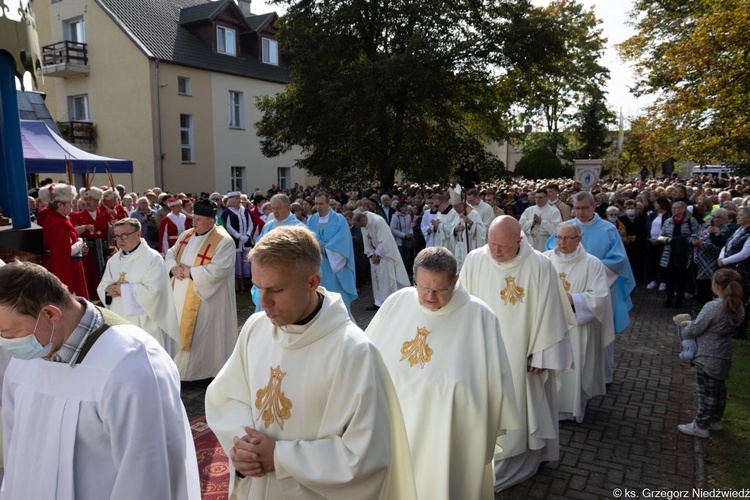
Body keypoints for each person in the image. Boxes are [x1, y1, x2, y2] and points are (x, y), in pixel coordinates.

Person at [205, 226, 416, 500]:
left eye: (276, 289)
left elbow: (366, 456)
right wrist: (242, 447)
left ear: (312, 282)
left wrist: (281, 458)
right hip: (257, 486)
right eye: (257, 288)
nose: (263, 302)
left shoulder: (353, 352)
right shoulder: (256, 328)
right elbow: (228, 399)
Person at [0, 261, 200, 499]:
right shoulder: (26, 359)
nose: (7, 343)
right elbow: (15, 447)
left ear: (51, 314)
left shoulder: (131, 364)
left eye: (10, 333)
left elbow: (147, 475)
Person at [366, 247, 517, 499]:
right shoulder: (396, 303)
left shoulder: (480, 318)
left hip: (447, 435)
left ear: (455, 281)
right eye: (423, 287)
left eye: (439, 289)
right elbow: (367, 360)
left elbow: (494, 389)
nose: (430, 297)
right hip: (393, 428)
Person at [460, 216, 575, 491]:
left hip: (524, 354)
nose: (497, 252)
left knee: (528, 406)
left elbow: (552, 314)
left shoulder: (540, 265)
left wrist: (542, 355)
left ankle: (529, 457)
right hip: (482, 352)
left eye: (504, 245)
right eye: (492, 244)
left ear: (520, 240)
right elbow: (461, 305)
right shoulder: (475, 259)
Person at [546, 191, 636, 384]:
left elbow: (618, 259)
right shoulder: (567, 227)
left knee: (601, 329)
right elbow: (552, 250)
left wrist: (590, 270)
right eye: (576, 208)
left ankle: (604, 375)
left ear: (594, 206)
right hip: (568, 288)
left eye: (584, 208)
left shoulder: (608, 229)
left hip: (601, 288)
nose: (580, 212)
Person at [545, 222, 615, 423]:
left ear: (579, 239)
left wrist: (571, 299)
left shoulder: (593, 263)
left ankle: (573, 409)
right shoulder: (545, 259)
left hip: (578, 326)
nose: (562, 242)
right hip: (550, 324)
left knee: (574, 371)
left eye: (568, 238)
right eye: (558, 237)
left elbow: (600, 297)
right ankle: (550, 409)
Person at [165, 199, 237, 381]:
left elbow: (220, 270)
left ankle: (204, 372)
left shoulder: (224, 241)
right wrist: (173, 268)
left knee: (204, 333)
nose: (193, 222)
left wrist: (190, 272)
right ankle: (180, 371)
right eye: (193, 218)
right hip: (180, 292)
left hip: (207, 297)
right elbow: (171, 252)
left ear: (212, 221)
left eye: (198, 219)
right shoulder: (187, 235)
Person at [674, 268, 744, 438]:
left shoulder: (713, 306)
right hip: (723, 354)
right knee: (719, 391)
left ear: (717, 286)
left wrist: (685, 324)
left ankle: (700, 425)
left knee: (706, 392)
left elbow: (696, 328)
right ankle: (714, 420)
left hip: (707, 355)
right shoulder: (738, 305)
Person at [97, 218, 181, 354]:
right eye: (116, 236)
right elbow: (103, 286)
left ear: (138, 234)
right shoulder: (113, 261)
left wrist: (122, 289)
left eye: (124, 235)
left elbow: (155, 291)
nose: (120, 240)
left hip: (145, 321)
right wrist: (107, 290)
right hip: (120, 319)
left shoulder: (152, 258)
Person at [307, 192, 358, 309]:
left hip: (334, 267)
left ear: (328, 203)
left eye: (321, 204)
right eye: (316, 204)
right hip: (317, 266)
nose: (318, 207)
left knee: (336, 302)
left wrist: (324, 248)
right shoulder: (311, 220)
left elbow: (343, 243)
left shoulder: (339, 220)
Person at [352, 210, 410, 309]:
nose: (362, 227)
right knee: (376, 280)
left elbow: (385, 241)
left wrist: (377, 255)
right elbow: (367, 241)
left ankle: (389, 303)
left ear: (363, 219)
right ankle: (378, 302)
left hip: (386, 255)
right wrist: (371, 255)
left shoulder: (378, 221)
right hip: (375, 256)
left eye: (361, 224)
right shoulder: (363, 224)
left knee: (385, 280)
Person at [40, 183, 90, 300]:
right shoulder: (58, 224)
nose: (72, 206)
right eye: (69, 203)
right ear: (60, 205)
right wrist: (79, 242)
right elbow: (65, 252)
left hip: (67, 265)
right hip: (67, 269)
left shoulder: (56, 219)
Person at [70, 186, 113, 300]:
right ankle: (92, 298)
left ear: (97, 201)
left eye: (90, 200)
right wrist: (84, 227)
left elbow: (110, 231)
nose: (87, 202)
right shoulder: (77, 215)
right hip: (88, 251)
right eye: (86, 200)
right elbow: (73, 231)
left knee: (106, 272)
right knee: (90, 275)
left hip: (104, 249)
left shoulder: (105, 213)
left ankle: (106, 296)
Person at [658, 201, 700, 309]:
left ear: (683, 209)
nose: (674, 210)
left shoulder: (691, 221)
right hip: (670, 254)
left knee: (681, 278)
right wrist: (669, 240)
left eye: (676, 208)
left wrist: (688, 241)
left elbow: (695, 235)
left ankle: (679, 299)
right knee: (669, 277)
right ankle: (669, 298)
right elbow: (661, 236)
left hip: (684, 254)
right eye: (672, 208)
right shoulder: (668, 221)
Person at [223, 192, 256, 292]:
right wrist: (239, 236)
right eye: (237, 198)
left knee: (245, 262)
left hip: (245, 241)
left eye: (239, 198)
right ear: (232, 200)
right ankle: (237, 284)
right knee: (236, 264)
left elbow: (251, 224)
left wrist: (247, 235)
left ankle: (245, 284)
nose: (239, 200)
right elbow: (228, 226)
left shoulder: (245, 211)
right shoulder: (227, 212)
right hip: (235, 242)